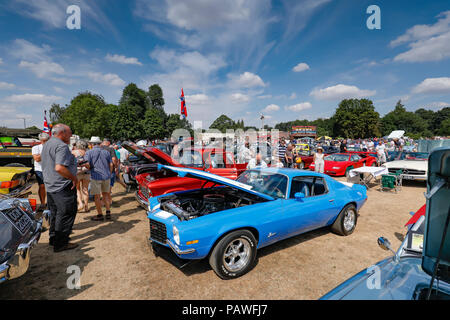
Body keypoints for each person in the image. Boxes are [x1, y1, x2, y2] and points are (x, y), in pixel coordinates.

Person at [41, 124, 78, 252]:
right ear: (62, 133)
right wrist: (73, 178)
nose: (71, 135)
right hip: (61, 186)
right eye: (69, 133)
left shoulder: (47, 144)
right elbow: (59, 168)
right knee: (66, 213)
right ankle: (61, 243)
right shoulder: (61, 146)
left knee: (55, 214)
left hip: (51, 186)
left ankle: (54, 239)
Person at [84, 137, 113, 221]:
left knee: (97, 196)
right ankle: (108, 212)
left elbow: (87, 164)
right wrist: (109, 173)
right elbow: (111, 164)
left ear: (91, 144)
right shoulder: (106, 152)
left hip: (96, 176)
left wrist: (88, 168)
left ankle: (100, 214)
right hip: (106, 176)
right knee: (106, 195)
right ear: (99, 143)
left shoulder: (89, 152)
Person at [31, 132, 50, 210]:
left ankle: (50, 203)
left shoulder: (51, 147)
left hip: (50, 170)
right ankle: (42, 203)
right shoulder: (36, 148)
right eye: (44, 140)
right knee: (42, 186)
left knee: (50, 187)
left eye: (47, 140)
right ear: (40, 140)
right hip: (40, 170)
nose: (45, 142)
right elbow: (37, 159)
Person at [72, 140, 90, 213]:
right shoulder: (88, 152)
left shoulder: (73, 152)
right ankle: (86, 206)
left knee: (77, 189)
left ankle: (80, 203)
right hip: (87, 171)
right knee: (85, 189)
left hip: (77, 172)